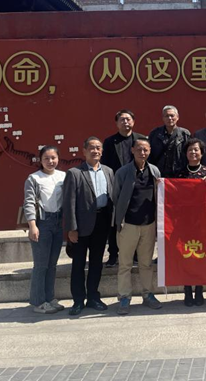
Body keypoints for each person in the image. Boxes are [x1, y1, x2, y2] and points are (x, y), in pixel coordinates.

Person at [63, 137, 114, 316]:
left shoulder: (108, 171)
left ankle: (93, 297)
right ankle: (78, 301)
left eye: (98, 148)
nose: (95, 151)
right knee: (78, 264)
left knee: (96, 263)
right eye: (91, 148)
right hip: (81, 225)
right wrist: (71, 229)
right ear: (84, 151)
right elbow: (69, 203)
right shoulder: (75, 173)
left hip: (102, 222)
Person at [113, 138, 163, 314]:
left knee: (146, 263)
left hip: (148, 224)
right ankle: (124, 297)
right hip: (128, 224)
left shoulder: (154, 170)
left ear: (149, 151)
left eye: (146, 150)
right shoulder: (122, 172)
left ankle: (148, 294)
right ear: (132, 150)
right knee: (125, 263)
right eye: (139, 149)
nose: (142, 153)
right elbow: (116, 197)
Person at [23, 145, 66, 314]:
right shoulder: (34, 178)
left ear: (58, 159)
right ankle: (39, 301)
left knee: (52, 264)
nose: (50, 161)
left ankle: (50, 298)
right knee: (41, 265)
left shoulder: (63, 176)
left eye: (53, 158)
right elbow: (29, 203)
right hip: (42, 223)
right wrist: (32, 225)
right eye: (46, 158)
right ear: (40, 160)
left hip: (58, 222)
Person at [101, 109, 147, 267]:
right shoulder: (109, 142)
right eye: (122, 119)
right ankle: (113, 254)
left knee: (135, 221)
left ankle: (135, 254)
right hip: (117, 186)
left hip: (137, 186)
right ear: (117, 123)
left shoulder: (141, 139)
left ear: (133, 121)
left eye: (128, 119)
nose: (125, 122)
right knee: (115, 221)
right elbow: (105, 165)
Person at [178, 137, 206, 307]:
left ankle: (199, 290)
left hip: (202, 222)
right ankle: (187, 291)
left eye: (196, 150)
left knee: (200, 256)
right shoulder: (179, 173)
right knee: (185, 256)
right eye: (190, 150)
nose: (193, 152)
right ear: (186, 153)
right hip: (184, 222)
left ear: (202, 153)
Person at [149, 105, 190, 178]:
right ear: (163, 118)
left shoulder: (185, 134)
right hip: (159, 174)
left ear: (177, 117)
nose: (170, 118)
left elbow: (188, 155)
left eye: (172, 115)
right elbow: (150, 154)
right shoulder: (155, 134)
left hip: (179, 174)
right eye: (166, 116)